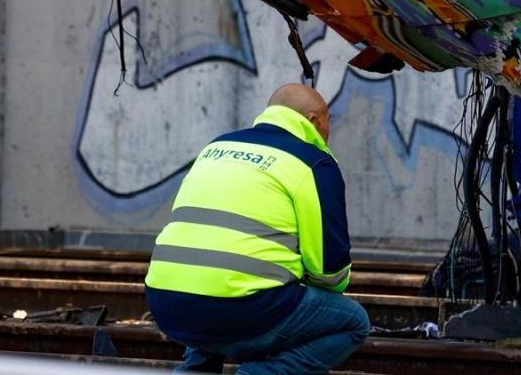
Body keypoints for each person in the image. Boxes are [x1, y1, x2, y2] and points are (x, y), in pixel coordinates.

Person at [145, 84, 369, 374]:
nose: (329, 132)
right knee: (353, 323)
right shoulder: (313, 162)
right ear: (314, 121)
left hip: (165, 302)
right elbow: (330, 274)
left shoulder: (217, 147)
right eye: (329, 122)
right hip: (241, 311)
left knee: (213, 288)